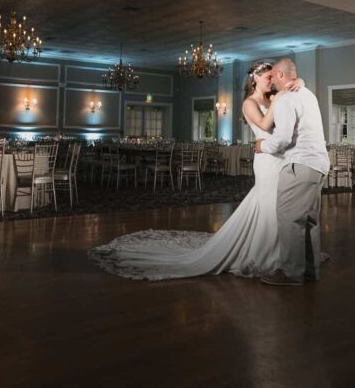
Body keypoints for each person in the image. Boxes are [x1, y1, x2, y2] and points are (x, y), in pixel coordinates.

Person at [88, 63, 303, 280]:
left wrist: (299, 83)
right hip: (266, 159)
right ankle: (266, 254)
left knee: (278, 204)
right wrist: (279, 99)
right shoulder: (249, 103)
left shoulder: (274, 97)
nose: (273, 81)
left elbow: (290, 108)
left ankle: (283, 252)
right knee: (268, 202)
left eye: (274, 78)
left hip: (281, 157)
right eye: (269, 77)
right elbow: (266, 127)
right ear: (256, 78)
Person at [254, 58, 329, 286]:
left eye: (272, 77)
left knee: (289, 219)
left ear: (279, 75)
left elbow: (283, 137)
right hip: (318, 165)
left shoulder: (286, 98)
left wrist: (262, 146)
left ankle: (290, 273)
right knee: (309, 221)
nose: (272, 82)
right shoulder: (308, 94)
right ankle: (309, 271)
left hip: (299, 164)